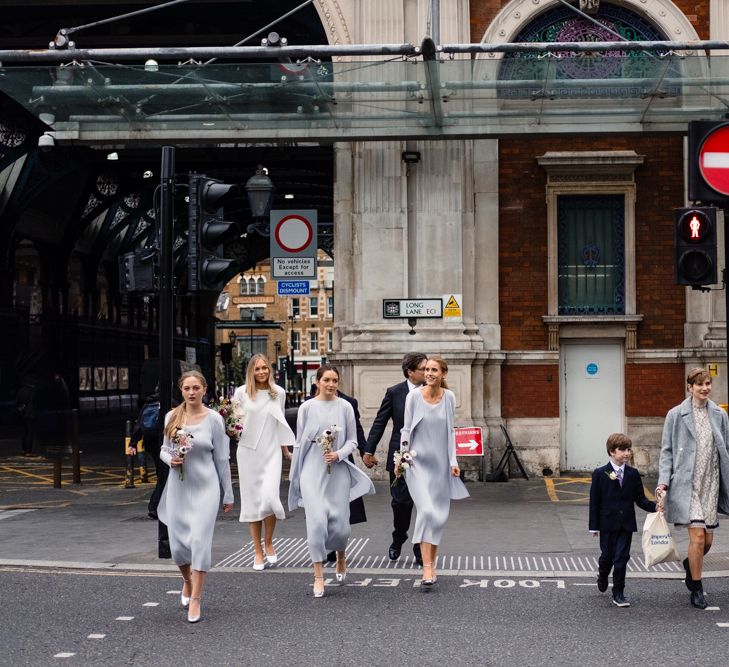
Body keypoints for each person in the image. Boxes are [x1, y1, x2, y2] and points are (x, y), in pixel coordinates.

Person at [288, 364, 375, 598]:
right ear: (317, 381)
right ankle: (318, 575)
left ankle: (341, 554)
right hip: (312, 469)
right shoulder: (306, 407)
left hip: (338, 470)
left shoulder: (345, 406)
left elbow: (353, 441)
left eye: (334, 380)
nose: (331, 384)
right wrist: (295, 473)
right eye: (326, 380)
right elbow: (301, 441)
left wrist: (338, 454)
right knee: (316, 523)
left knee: (341, 526)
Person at [158, 370, 234, 623]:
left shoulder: (214, 419)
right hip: (178, 488)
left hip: (206, 488)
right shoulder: (172, 416)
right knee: (179, 548)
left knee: (200, 542)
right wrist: (172, 459)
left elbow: (222, 459)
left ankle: (196, 599)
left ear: (204, 389)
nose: (192, 392)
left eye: (196, 388)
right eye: (187, 388)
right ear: (181, 390)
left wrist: (228, 494)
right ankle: (187, 580)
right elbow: (163, 450)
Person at [657, 366, 729, 609]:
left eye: (708, 383)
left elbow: (726, 449)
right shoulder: (675, 415)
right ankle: (697, 587)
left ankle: (691, 564)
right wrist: (663, 482)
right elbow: (666, 451)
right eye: (699, 384)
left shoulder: (720, 414)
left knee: (707, 542)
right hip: (688, 484)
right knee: (697, 537)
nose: (705, 388)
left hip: (712, 482)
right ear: (690, 387)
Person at [400, 355, 469, 588]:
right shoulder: (413, 397)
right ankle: (426, 568)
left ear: (443, 374)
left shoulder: (448, 397)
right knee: (427, 511)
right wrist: (402, 458)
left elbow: (451, 431)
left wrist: (453, 461)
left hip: (440, 465)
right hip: (417, 464)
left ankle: (432, 563)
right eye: (426, 369)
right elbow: (406, 429)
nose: (429, 373)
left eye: (433, 370)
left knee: (438, 516)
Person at [364, 352, 428, 564]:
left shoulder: (434, 392)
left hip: (426, 456)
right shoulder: (394, 393)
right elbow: (380, 422)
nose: (427, 373)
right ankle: (398, 537)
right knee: (401, 502)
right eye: (423, 369)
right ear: (410, 372)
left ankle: (420, 546)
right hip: (400, 455)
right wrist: (368, 450)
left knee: (424, 503)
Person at [232, 355, 294, 571]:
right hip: (248, 452)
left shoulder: (279, 393)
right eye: (257, 369)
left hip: (271, 452)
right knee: (252, 502)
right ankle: (257, 550)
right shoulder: (240, 393)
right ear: (251, 371)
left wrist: (285, 449)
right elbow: (235, 423)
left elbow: (280, 422)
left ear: (270, 370)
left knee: (270, 498)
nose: (261, 372)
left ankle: (269, 542)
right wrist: (232, 428)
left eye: (265, 368)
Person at [588, 433, 656, 608]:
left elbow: (640, 498)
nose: (627, 453)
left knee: (621, 558)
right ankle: (603, 574)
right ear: (612, 452)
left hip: (626, 524)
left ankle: (618, 593)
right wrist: (594, 526)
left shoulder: (633, 474)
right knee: (607, 558)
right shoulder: (600, 473)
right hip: (607, 524)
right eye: (622, 450)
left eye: (628, 449)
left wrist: (655, 507)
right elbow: (595, 502)